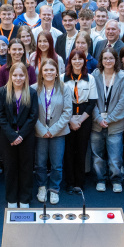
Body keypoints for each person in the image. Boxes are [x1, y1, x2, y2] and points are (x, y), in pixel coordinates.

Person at [0, 62, 39, 208]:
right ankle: (12, 198)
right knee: (10, 168)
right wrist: (12, 135)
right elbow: (0, 116)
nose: (18, 78)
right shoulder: (2, 92)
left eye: (21, 75)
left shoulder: (32, 93)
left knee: (26, 168)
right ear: (10, 76)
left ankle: (25, 198)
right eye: (15, 75)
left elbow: (33, 116)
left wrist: (21, 135)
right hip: (8, 137)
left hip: (26, 137)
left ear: (26, 76)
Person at [90, 47, 124, 193]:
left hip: (116, 124)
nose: (108, 61)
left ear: (116, 60)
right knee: (97, 155)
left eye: (111, 58)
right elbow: (91, 100)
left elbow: (123, 102)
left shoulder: (123, 77)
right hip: (97, 123)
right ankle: (100, 179)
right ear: (101, 60)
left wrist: (110, 119)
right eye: (105, 58)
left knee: (115, 156)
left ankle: (116, 179)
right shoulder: (94, 75)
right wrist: (99, 118)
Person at [33, 59, 72, 204]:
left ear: (57, 72)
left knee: (57, 164)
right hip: (40, 131)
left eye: (52, 70)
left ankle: (55, 189)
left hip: (58, 132)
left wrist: (53, 130)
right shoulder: (33, 88)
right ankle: (42, 186)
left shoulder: (64, 88)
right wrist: (43, 130)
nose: (49, 72)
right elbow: (31, 113)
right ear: (41, 73)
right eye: (46, 70)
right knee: (40, 163)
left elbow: (67, 112)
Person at [62, 50, 96, 194]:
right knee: (68, 151)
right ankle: (69, 183)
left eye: (80, 59)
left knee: (82, 150)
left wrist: (79, 121)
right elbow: (61, 101)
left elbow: (92, 102)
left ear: (84, 61)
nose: (77, 62)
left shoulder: (90, 78)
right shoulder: (63, 78)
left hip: (84, 116)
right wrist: (70, 120)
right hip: (67, 114)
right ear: (70, 61)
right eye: (74, 59)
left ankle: (79, 183)